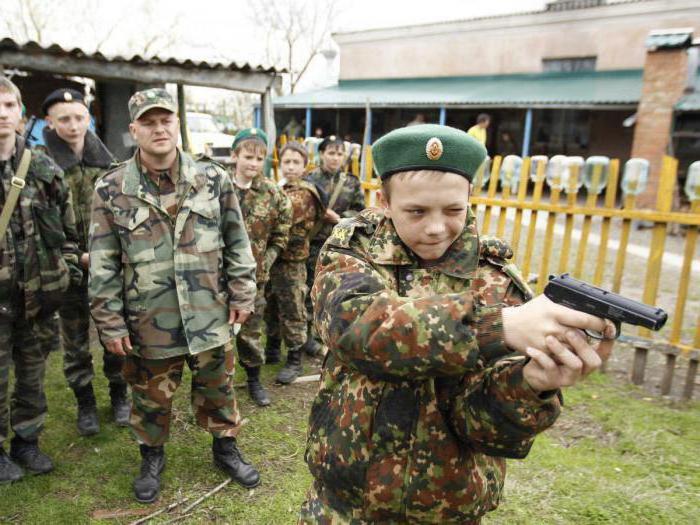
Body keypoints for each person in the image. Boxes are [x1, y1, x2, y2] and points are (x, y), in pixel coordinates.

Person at [299, 124, 615, 523]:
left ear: (470, 198)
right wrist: (496, 327)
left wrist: (534, 383)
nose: (435, 228)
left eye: (453, 210)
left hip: (448, 507)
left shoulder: (496, 278)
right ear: (383, 201)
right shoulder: (352, 249)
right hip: (345, 502)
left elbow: (483, 426)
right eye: (416, 211)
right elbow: (357, 328)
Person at [89, 88, 260, 503]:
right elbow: (102, 261)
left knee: (218, 385)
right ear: (134, 130)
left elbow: (237, 240)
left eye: (165, 120)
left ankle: (225, 448)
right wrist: (109, 321)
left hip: (209, 310)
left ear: (177, 124)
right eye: (148, 122)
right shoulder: (111, 188)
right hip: (150, 317)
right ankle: (151, 456)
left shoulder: (213, 178)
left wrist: (243, 291)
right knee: (149, 394)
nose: (159, 128)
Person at [0, 77, 82, 483]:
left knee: (32, 375)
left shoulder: (45, 167)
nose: (1, 113)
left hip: (38, 297)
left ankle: (27, 442)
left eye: (8, 106)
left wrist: (64, 271)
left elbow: (68, 234)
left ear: (21, 115)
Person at [37, 88, 127, 436]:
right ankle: (85, 402)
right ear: (49, 122)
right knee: (74, 340)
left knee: (114, 334)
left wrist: (108, 256)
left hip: (107, 269)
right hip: (67, 268)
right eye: (63, 119)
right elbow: (44, 227)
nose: (73, 125)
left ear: (88, 118)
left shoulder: (109, 164)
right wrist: (76, 258)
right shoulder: (41, 166)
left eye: (78, 117)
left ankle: (119, 395)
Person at [228, 128, 292, 406]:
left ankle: (254, 380)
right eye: (248, 156)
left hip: (254, 276)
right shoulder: (219, 188)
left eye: (259, 158)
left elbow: (282, 230)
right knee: (217, 331)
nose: (253, 163)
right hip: (216, 275)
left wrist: (268, 258)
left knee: (251, 330)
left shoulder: (273, 194)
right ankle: (217, 384)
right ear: (235, 156)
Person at [264, 142, 326, 384]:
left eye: (295, 162)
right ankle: (271, 348)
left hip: (291, 261)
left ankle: (294, 358)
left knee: (293, 310)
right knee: (270, 306)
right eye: (286, 162)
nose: (290, 167)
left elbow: (278, 218)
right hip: (272, 259)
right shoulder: (281, 188)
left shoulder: (303, 194)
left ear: (305, 166)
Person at [302, 135, 365, 357]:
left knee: (336, 290)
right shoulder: (309, 179)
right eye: (331, 152)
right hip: (313, 243)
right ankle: (306, 337)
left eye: (339, 153)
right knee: (310, 288)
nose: (335, 157)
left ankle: (329, 333)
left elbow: (360, 212)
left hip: (339, 244)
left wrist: (339, 217)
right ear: (321, 154)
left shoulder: (351, 182)